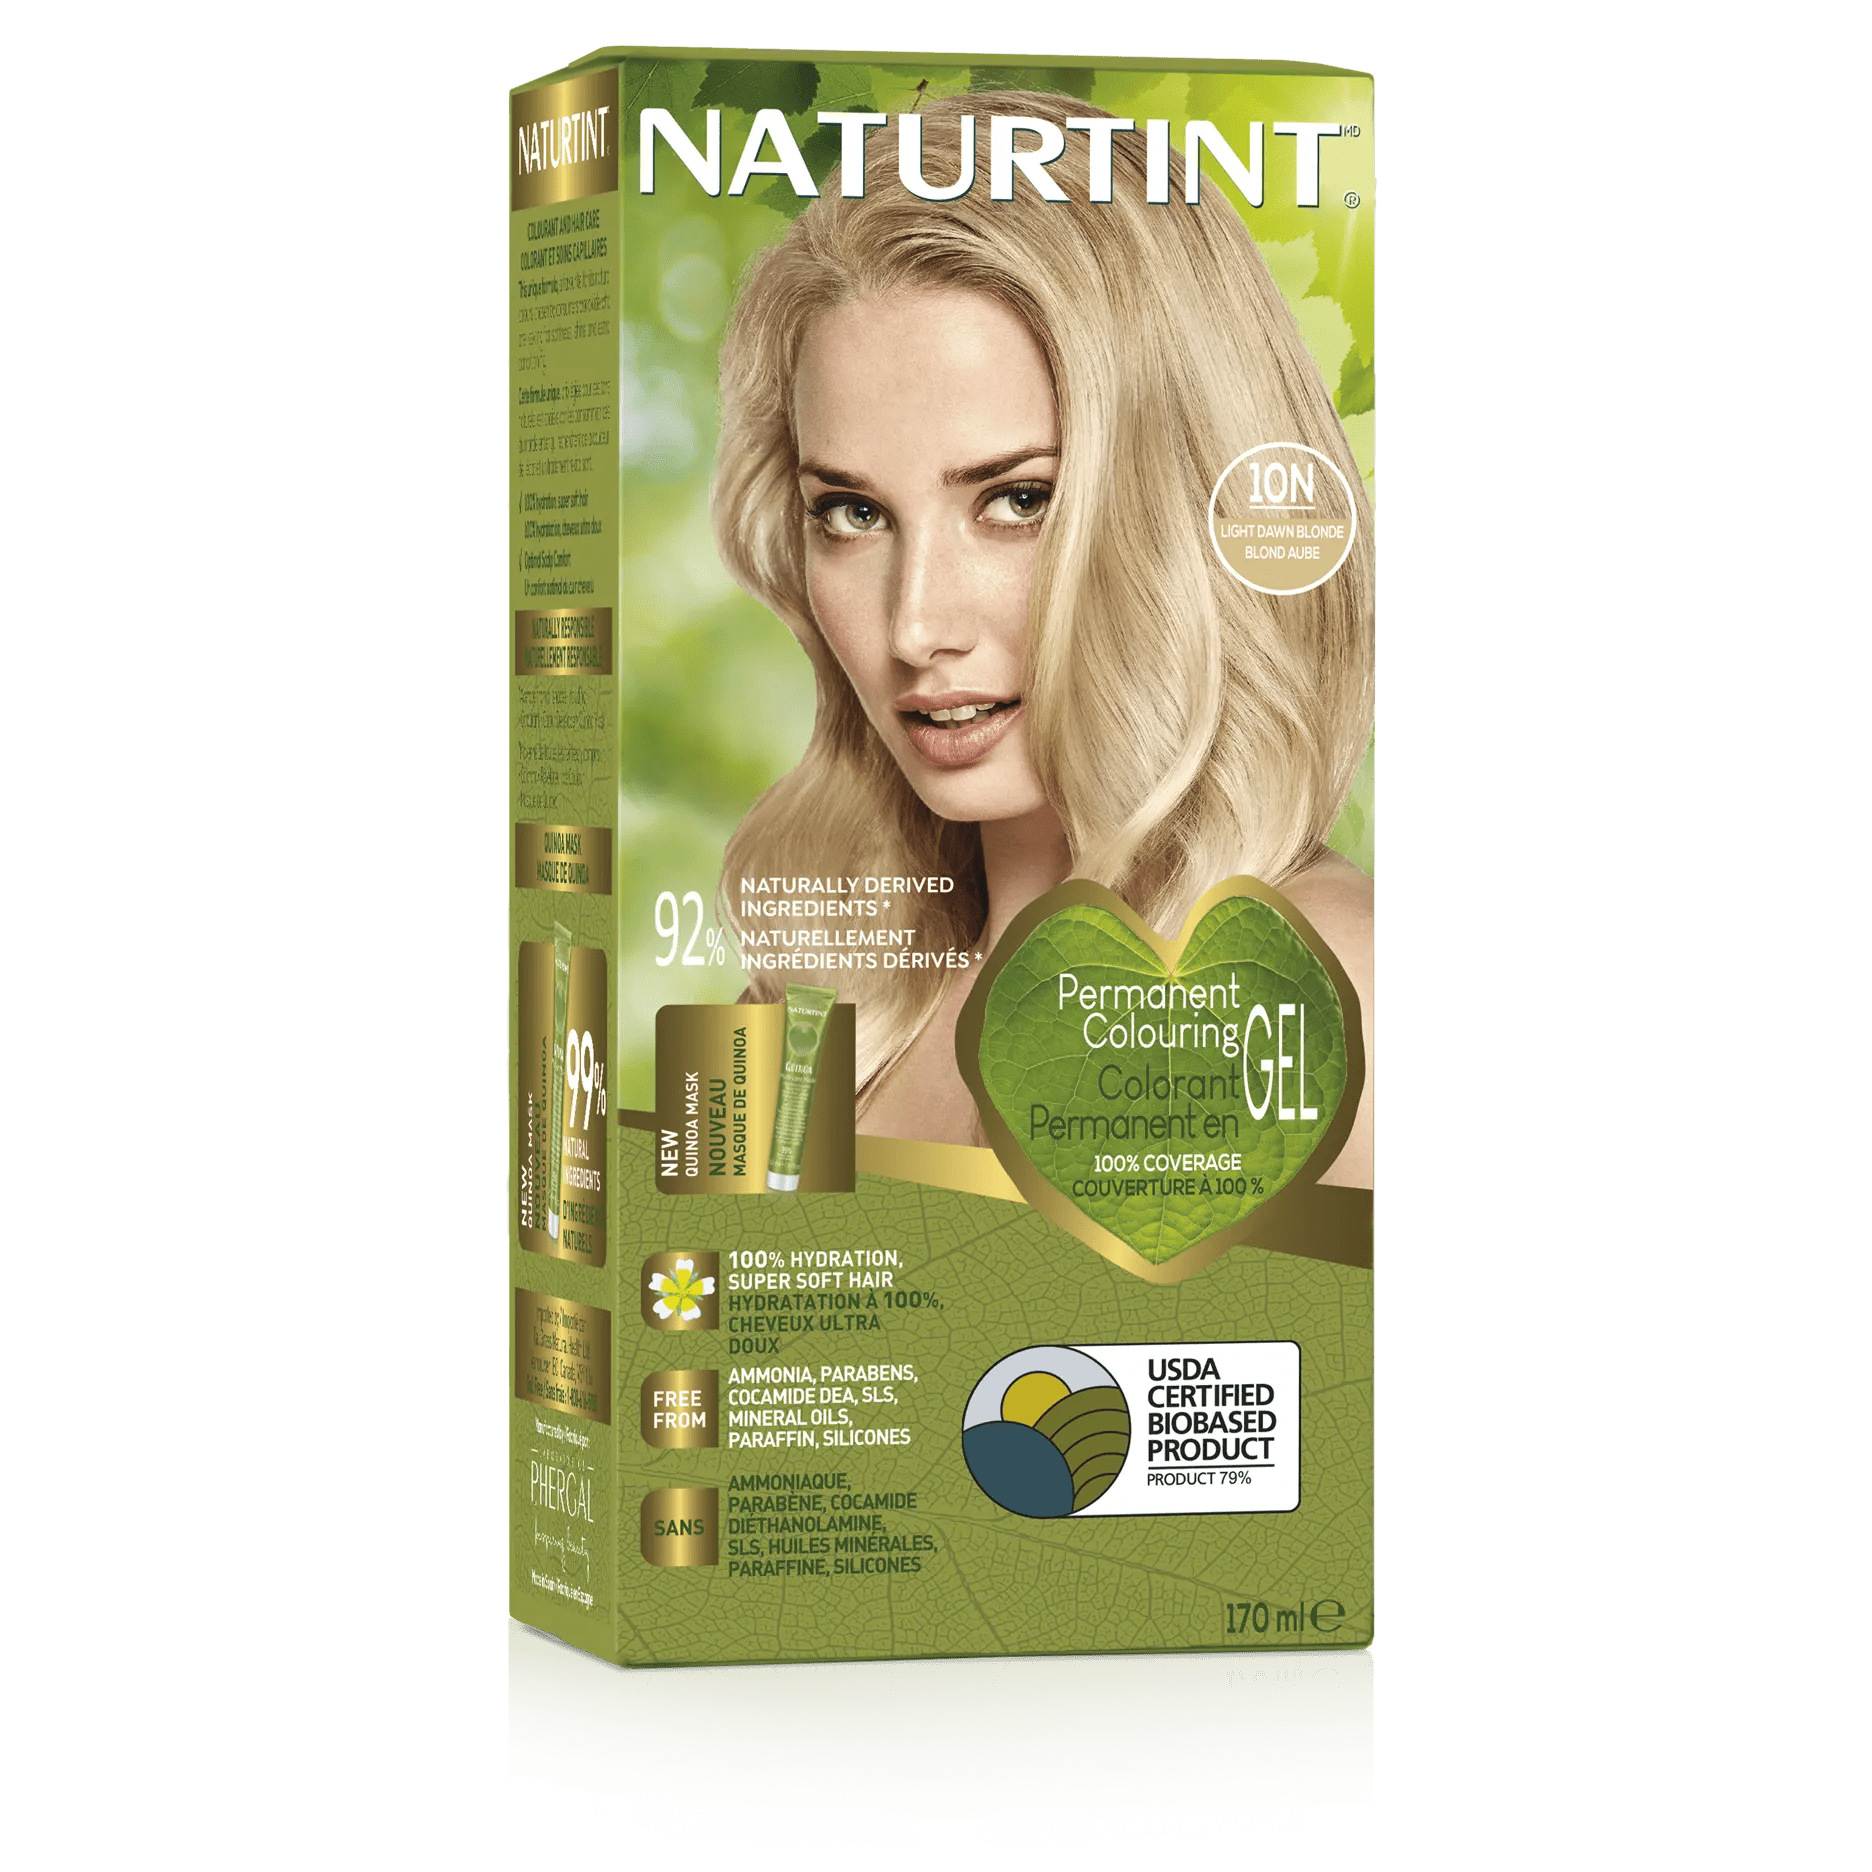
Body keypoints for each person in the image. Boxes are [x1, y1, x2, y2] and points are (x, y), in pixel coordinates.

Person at [712, 92, 1374, 1184]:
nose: (916, 627)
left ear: (1189, 498)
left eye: (1018, 500)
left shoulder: (1318, 986)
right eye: (854, 512)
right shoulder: (835, 994)